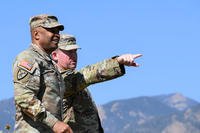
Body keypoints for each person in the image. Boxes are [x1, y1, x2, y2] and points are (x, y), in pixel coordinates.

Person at [51, 34, 142, 133]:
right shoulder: (56, 80)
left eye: (75, 51)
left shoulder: (74, 78)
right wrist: (118, 61)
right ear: (55, 55)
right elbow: (88, 74)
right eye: (69, 52)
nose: (74, 55)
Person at [12, 14, 73, 133]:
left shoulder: (49, 63)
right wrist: (54, 123)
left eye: (58, 31)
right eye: (52, 30)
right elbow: (24, 97)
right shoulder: (28, 58)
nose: (57, 35)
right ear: (36, 35)